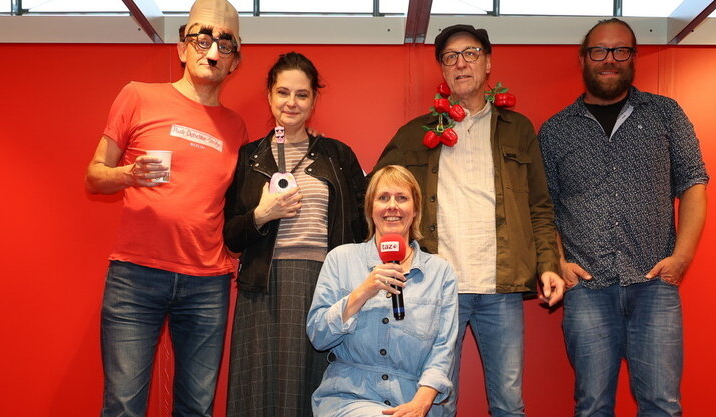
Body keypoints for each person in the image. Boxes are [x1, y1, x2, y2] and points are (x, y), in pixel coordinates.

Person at [373, 24, 565, 416]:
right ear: (443, 70)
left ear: (488, 63)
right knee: (438, 400)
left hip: (502, 289)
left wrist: (548, 265)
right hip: (438, 288)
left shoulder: (519, 130)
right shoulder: (416, 134)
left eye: (471, 54)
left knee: (509, 403)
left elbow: (540, 208)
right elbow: (378, 197)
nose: (461, 63)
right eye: (450, 57)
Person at [537, 18, 709, 417]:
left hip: (655, 285)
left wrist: (682, 257)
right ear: (583, 59)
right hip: (588, 290)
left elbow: (694, 183)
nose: (609, 60)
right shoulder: (555, 131)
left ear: (633, 57)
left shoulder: (666, 114)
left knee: (662, 405)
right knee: (592, 406)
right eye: (599, 51)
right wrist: (558, 263)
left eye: (620, 51)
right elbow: (545, 207)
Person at [84, 1, 245, 416]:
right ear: (181, 46)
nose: (211, 52)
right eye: (202, 38)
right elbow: (94, 175)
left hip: (208, 283)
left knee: (197, 408)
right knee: (123, 406)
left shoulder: (236, 126)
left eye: (224, 44)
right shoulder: (138, 95)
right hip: (136, 276)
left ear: (234, 61)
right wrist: (128, 175)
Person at [223, 52, 367, 417]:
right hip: (262, 286)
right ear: (269, 96)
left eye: (302, 94)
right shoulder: (247, 158)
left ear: (314, 100)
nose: (291, 102)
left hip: (325, 285)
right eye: (283, 92)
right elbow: (231, 236)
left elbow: (362, 225)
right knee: (258, 389)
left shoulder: (338, 156)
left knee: (316, 385)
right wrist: (262, 215)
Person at [306, 165, 459, 417]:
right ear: (370, 208)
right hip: (350, 397)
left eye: (402, 198)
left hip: (416, 400)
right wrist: (363, 291)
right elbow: (319, 336)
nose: (392, 206)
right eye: (383, 197)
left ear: (416, 209)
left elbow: (443, 349)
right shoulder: (340, 259)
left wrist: (421, 403)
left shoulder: (440, 272)